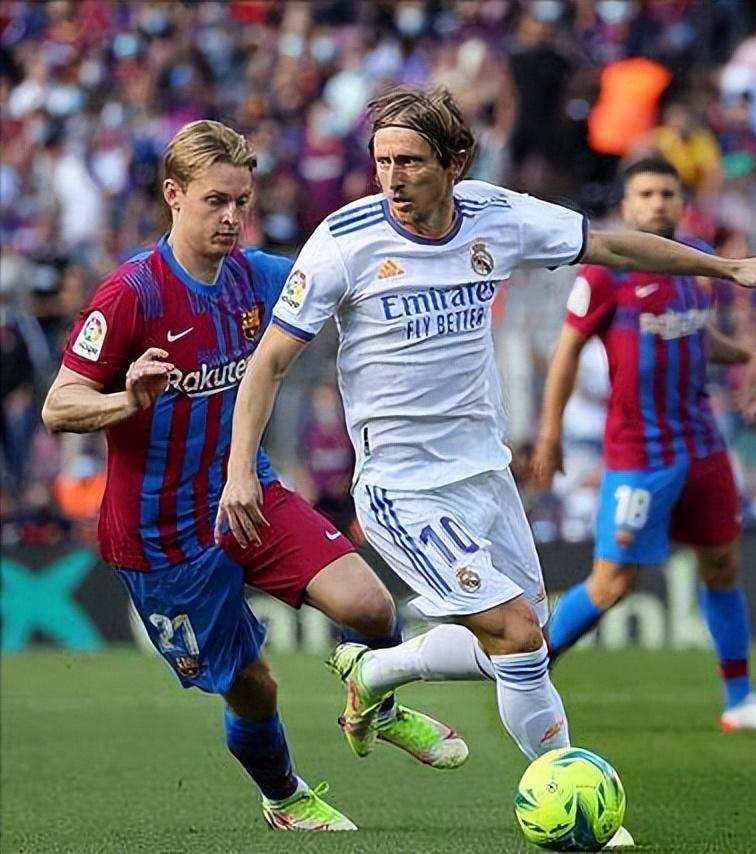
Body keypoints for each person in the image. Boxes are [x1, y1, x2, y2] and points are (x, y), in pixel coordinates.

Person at [218, 87, 756, 848]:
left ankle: (375, 673)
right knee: (516, 635)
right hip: (402, 487)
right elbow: (269, 362)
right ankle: (571, 800)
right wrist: (241, 469)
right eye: (382, 161)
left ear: (455, 162)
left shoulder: (496, 214)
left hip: (484, 474)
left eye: (410, 161)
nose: (392, 178)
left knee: (527, 643)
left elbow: (615, 247)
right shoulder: (344, 240)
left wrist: (730, 268)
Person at [42, 120, 467, 833]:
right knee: (255, 687)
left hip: (246, 492)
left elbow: (347, 276)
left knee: (370, 606)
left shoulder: (257, 277)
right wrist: (127, 401)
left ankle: (377, 702)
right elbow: (59, 405)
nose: (232, 217)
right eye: (215, 201)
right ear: (173, 195)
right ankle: (285, 798)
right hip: (161, 535)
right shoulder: (131, 295)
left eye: (242, 201)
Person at [530, 157, 756, 734]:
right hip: (639, 451)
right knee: (612, 582)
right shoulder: (606, 274)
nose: (658, 203)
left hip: (703, 444)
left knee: (722, 565)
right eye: (646, 194)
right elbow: (567, 351)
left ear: (682, 203)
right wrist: (550, 432)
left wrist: (748, 353)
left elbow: (695, 334)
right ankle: (528, 670)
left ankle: (741, 699)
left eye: (667, 194)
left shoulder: (698, 260)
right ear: (626, 206)